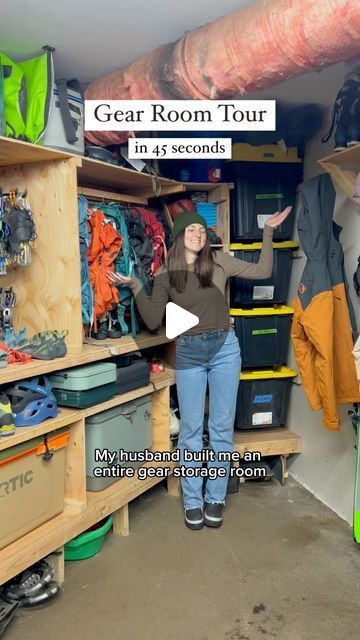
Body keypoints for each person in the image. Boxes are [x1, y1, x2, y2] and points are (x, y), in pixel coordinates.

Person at [108, 206, 292, 530]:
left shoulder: (219, 262)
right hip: (190, 354)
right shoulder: (166, 274)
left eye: (202, 231)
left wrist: (268, 232)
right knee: (191, 431)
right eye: (191, 230)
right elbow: (152, 320)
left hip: (224, 349)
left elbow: (263, 270)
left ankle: (215, 497)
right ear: (180, 237)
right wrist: (137, 285)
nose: (198, 234)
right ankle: (192, 500)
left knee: (221, 430)